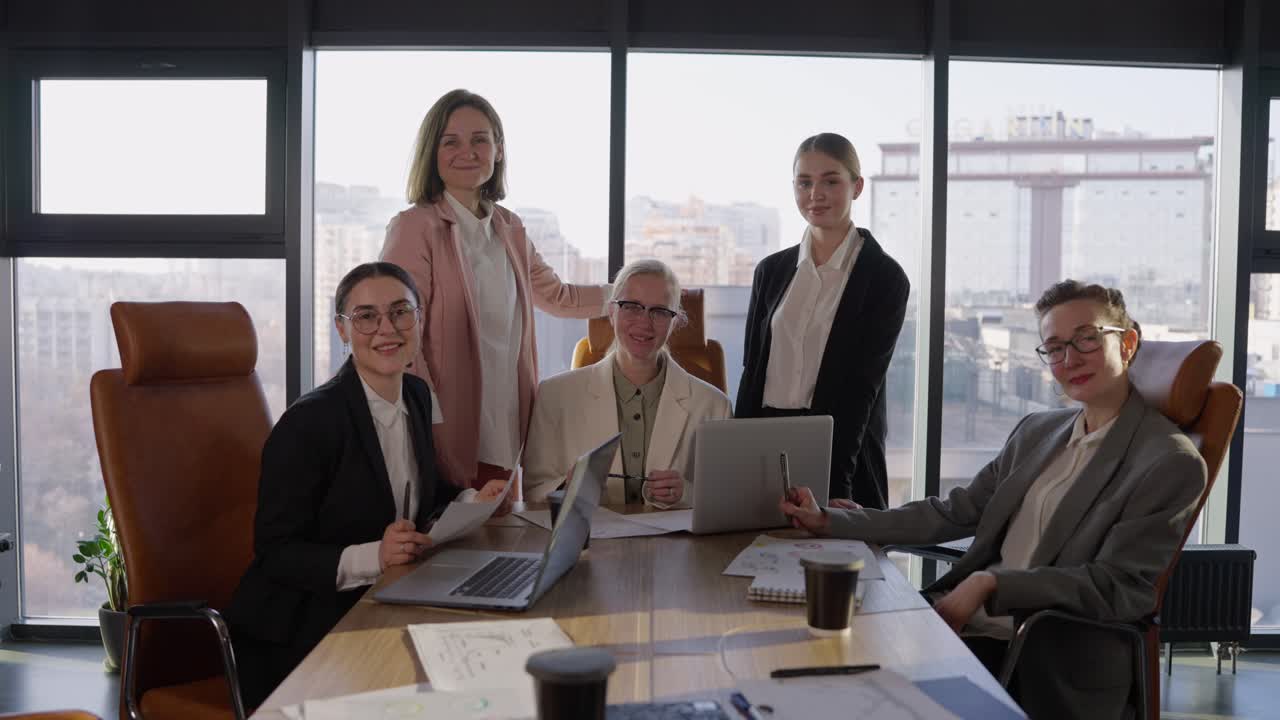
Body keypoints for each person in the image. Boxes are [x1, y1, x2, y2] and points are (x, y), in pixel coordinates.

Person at [780, 280, 1207, 720]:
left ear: (1128, 342)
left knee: (845, 691)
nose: (1070, 359)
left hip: (1042, 656)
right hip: (969, 629)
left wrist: (992, 584)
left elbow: (1118, 587)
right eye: (1055, 347)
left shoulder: (1168, 461)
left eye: (1087, 339)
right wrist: (831, 521)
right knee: (810, 661)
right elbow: (956, 511)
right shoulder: (1038, 431)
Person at [227, 262, 508, 708]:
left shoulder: (415, 394)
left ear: (419, 318)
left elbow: (420, 493)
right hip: (298, 629)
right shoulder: (309, 422)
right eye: (366, 316)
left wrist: (474, 499)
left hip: (379, 601)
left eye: (400, 312)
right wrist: (374, 555)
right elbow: (275, 551)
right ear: (342, 329)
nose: (387, 329)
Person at [381, 88, 609, 495]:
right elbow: (400, 334)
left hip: (507, 427)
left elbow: (558, 296)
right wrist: (429, 424)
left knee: (500, 548)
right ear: (433, 153)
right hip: (447, 431)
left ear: (498, 150)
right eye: (450, 141)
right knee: (454, 550)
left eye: (479, 139)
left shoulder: (510, 228)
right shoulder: (416, 228)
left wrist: (631, 294)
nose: (466, 152)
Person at [735, 132, 909, 509]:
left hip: (838, 448)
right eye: (804, 182)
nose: (816, 193)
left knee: (838, 565)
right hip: (764, 444)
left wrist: (838, 491)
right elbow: (752, 373)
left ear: (857, 187)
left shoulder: (885, 277)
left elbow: (862, 389)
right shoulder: (771, 270)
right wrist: (735, 461)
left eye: (831, 180)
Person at [524, 259, 732, 507]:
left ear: (674, 321)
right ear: (611, 312)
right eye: (632, 306)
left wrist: (685, 494)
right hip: (592, 544)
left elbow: (725, 499)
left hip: (676, 546)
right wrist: (565, 490)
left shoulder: (715, 406)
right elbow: (533, 492)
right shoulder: (554, 396)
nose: (644, 322)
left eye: (659, 311)